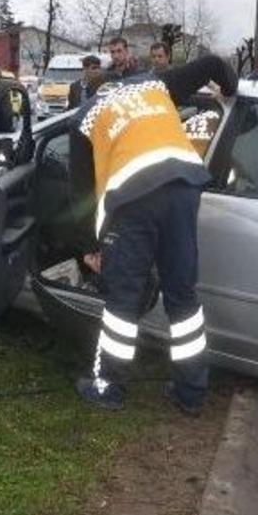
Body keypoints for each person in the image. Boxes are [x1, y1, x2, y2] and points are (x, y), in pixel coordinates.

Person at [70, 53, 239, 416]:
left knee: (124, 300)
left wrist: (90, 248)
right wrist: (230, 89)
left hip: (133, 202)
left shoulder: (84, 118)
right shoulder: (152, 84)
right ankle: (191, 392)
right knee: (182, 294)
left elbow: (80, 195)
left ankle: (109, 387)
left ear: (92, 92)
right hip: (182, 188)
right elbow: (213, 64)